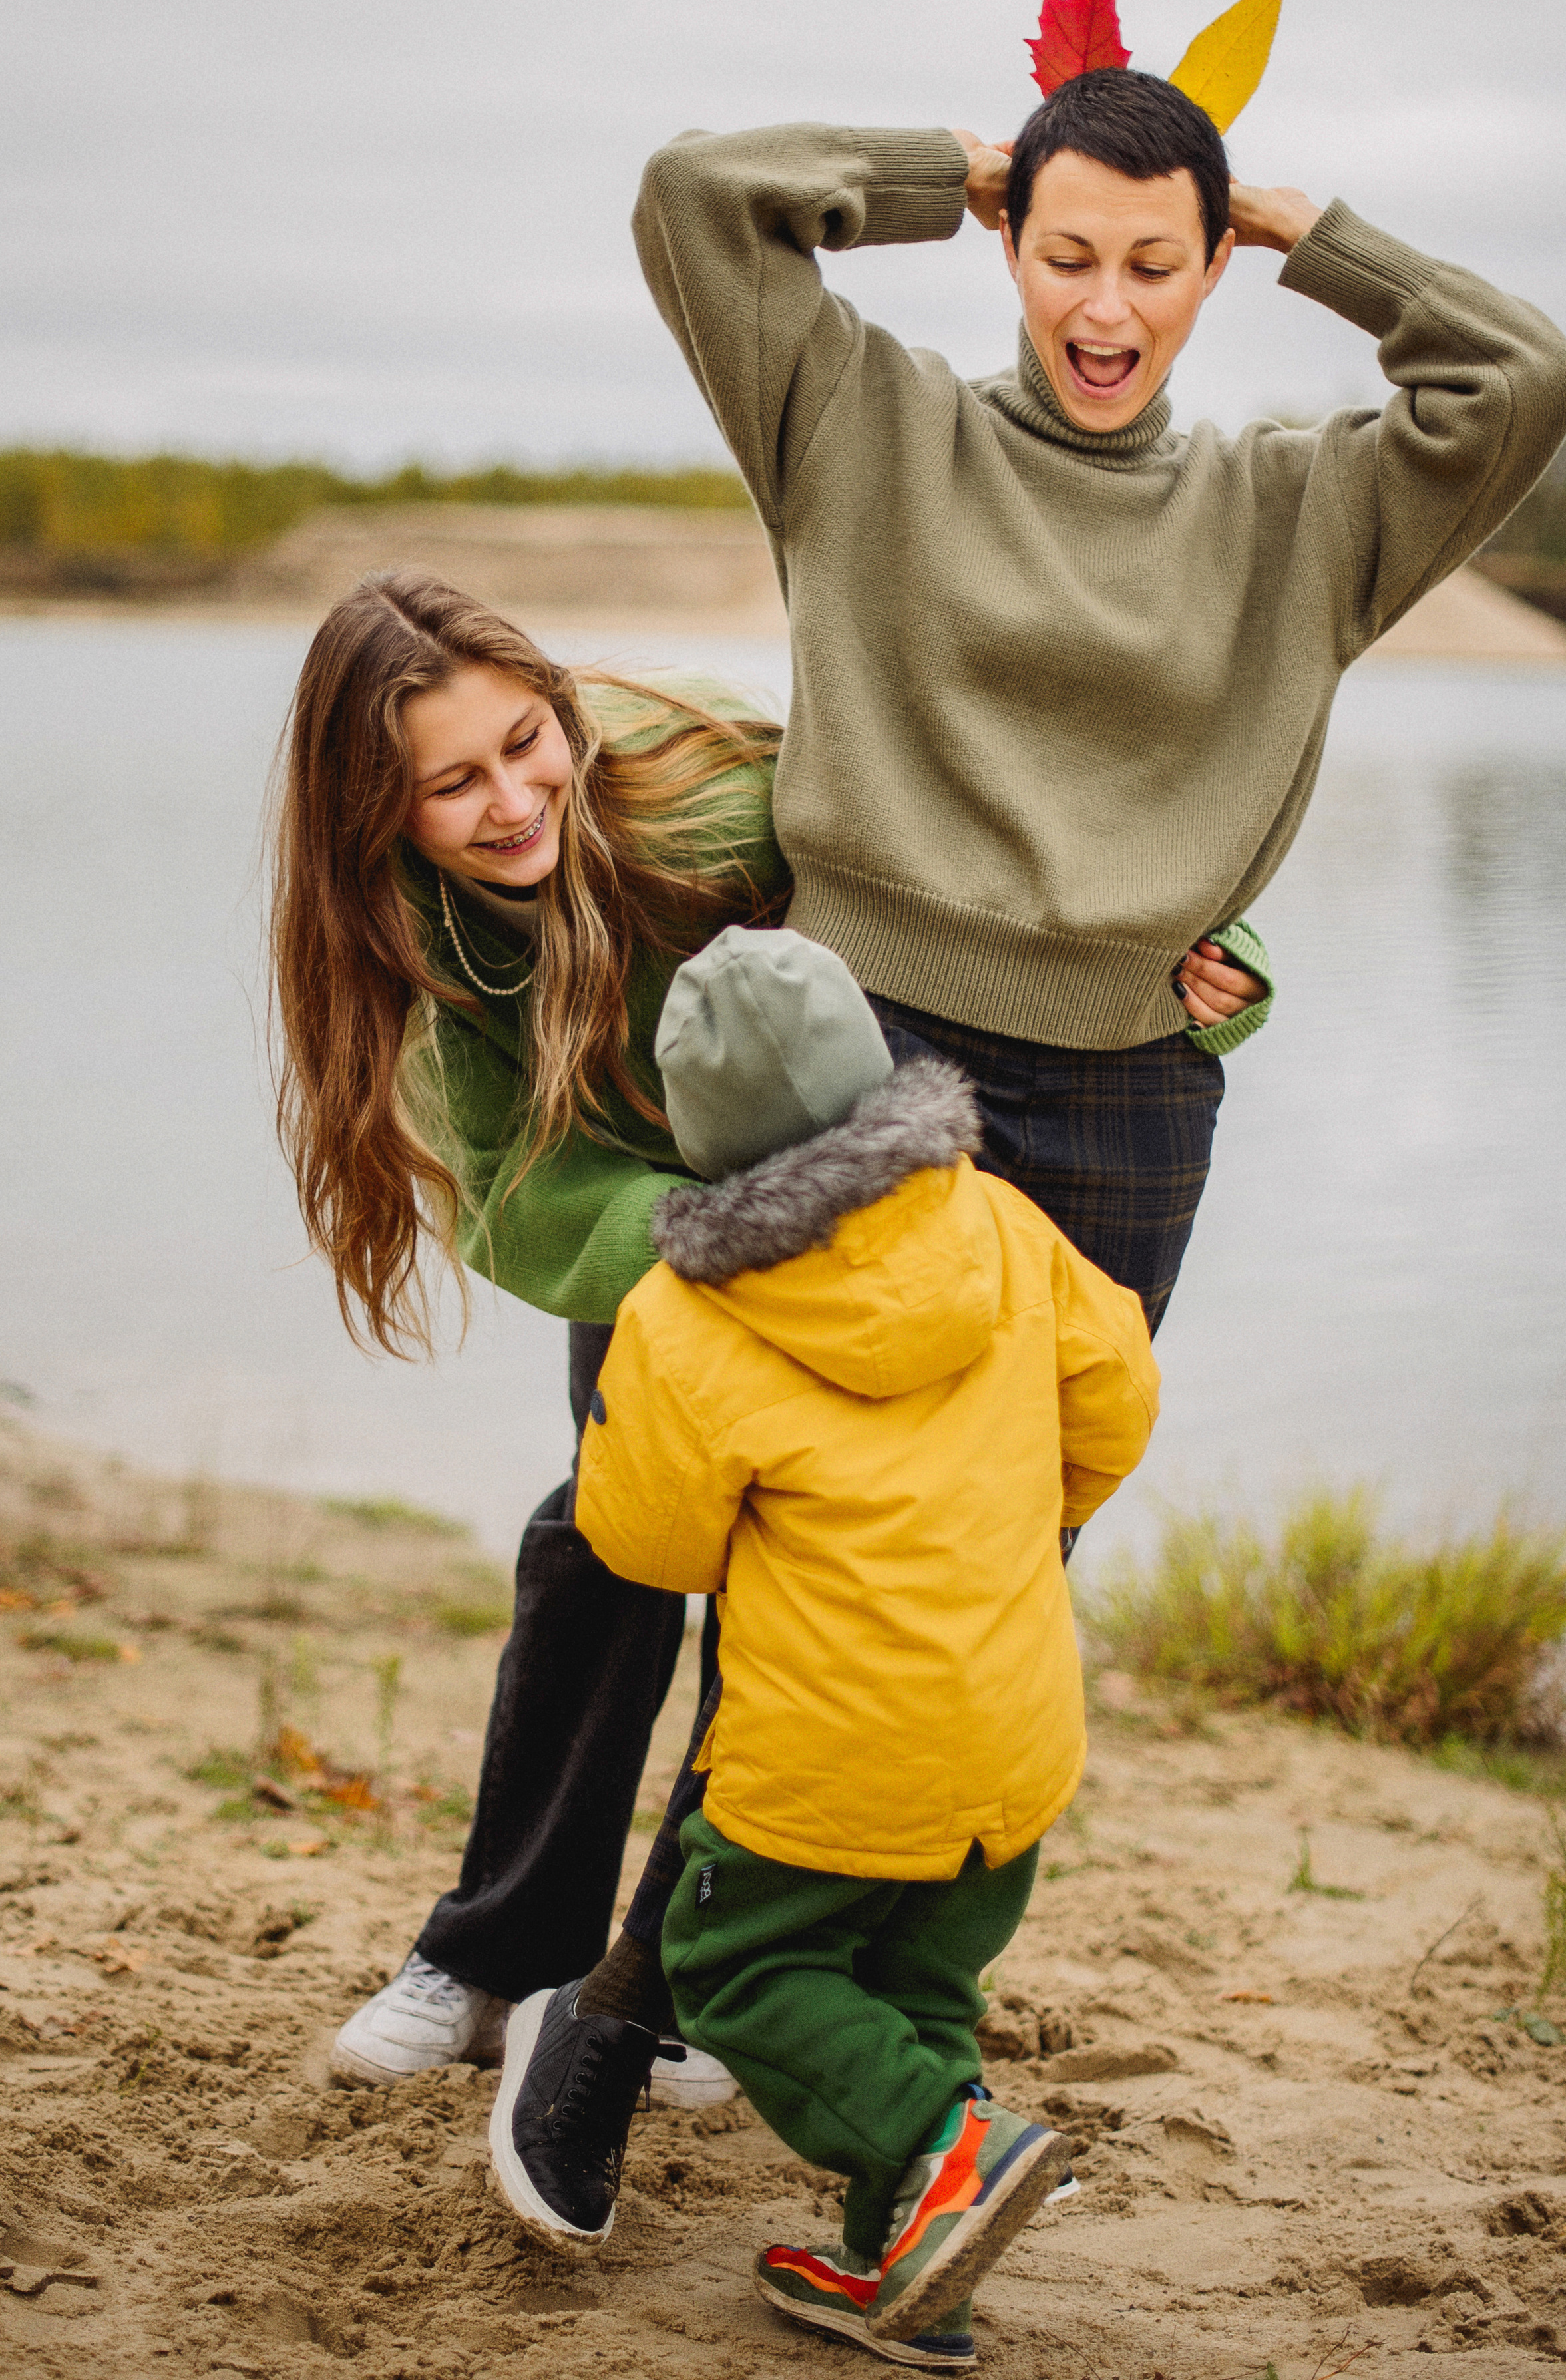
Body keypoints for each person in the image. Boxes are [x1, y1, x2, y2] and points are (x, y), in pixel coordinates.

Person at [486, 56, 1566, 2223]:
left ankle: (806, 2007)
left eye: (1156, 264)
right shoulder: (862, 420)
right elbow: (699, 196)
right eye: (1067, 251)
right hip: (855, 1057)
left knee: (976, 1571)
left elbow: (1525, 377)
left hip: (1122, 1091)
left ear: (1210, 275)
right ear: (1011, 245)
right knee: (802, 1557)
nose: (1106, 303)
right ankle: (628, 2004)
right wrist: (959, 167)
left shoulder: (1303, 510)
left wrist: (1312, 230)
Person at [270, 570, 1268, 2096]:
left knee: (821, 1572)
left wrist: (1216, 955)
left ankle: (705, 1974)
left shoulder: (713, 782)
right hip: (657, 1229)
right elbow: (512, 1192)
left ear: (560, 710)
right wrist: (703, 1248)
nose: (512, 801)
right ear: (372, 813)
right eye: (450, 784)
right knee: (602, 1539)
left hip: (867, 1188)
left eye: (525, 744)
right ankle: (492, 1954)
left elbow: (989, 825)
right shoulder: (400, 934)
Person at [494, 924, 1157, 2369]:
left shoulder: (685, 1311)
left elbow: (650, 1545)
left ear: (694, 1130)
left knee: (735, 1968)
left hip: (828, 1754)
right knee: (919, 1989)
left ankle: (947, 2148)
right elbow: (1118, 1397)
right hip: (1014, 1732)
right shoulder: (1001, 1223)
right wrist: (1021, 1504)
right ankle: (907, 2274)